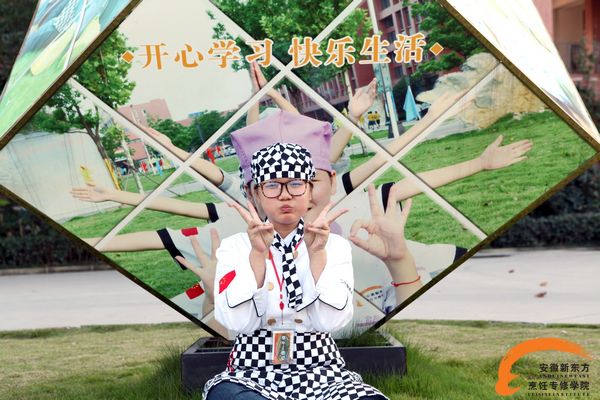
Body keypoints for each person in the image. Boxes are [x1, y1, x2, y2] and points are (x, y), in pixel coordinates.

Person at [199, 142, 390, 400]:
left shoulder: (334, 245)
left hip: (321, 368)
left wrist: (317, 254)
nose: (285, 195)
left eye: (296, 183)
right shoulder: (234, 247)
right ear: (255, 192)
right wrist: (257, 256)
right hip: (251, 370)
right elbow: (237, 322)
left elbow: (330, 323)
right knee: (228, 396)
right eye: (272, 185)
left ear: (310, 190)